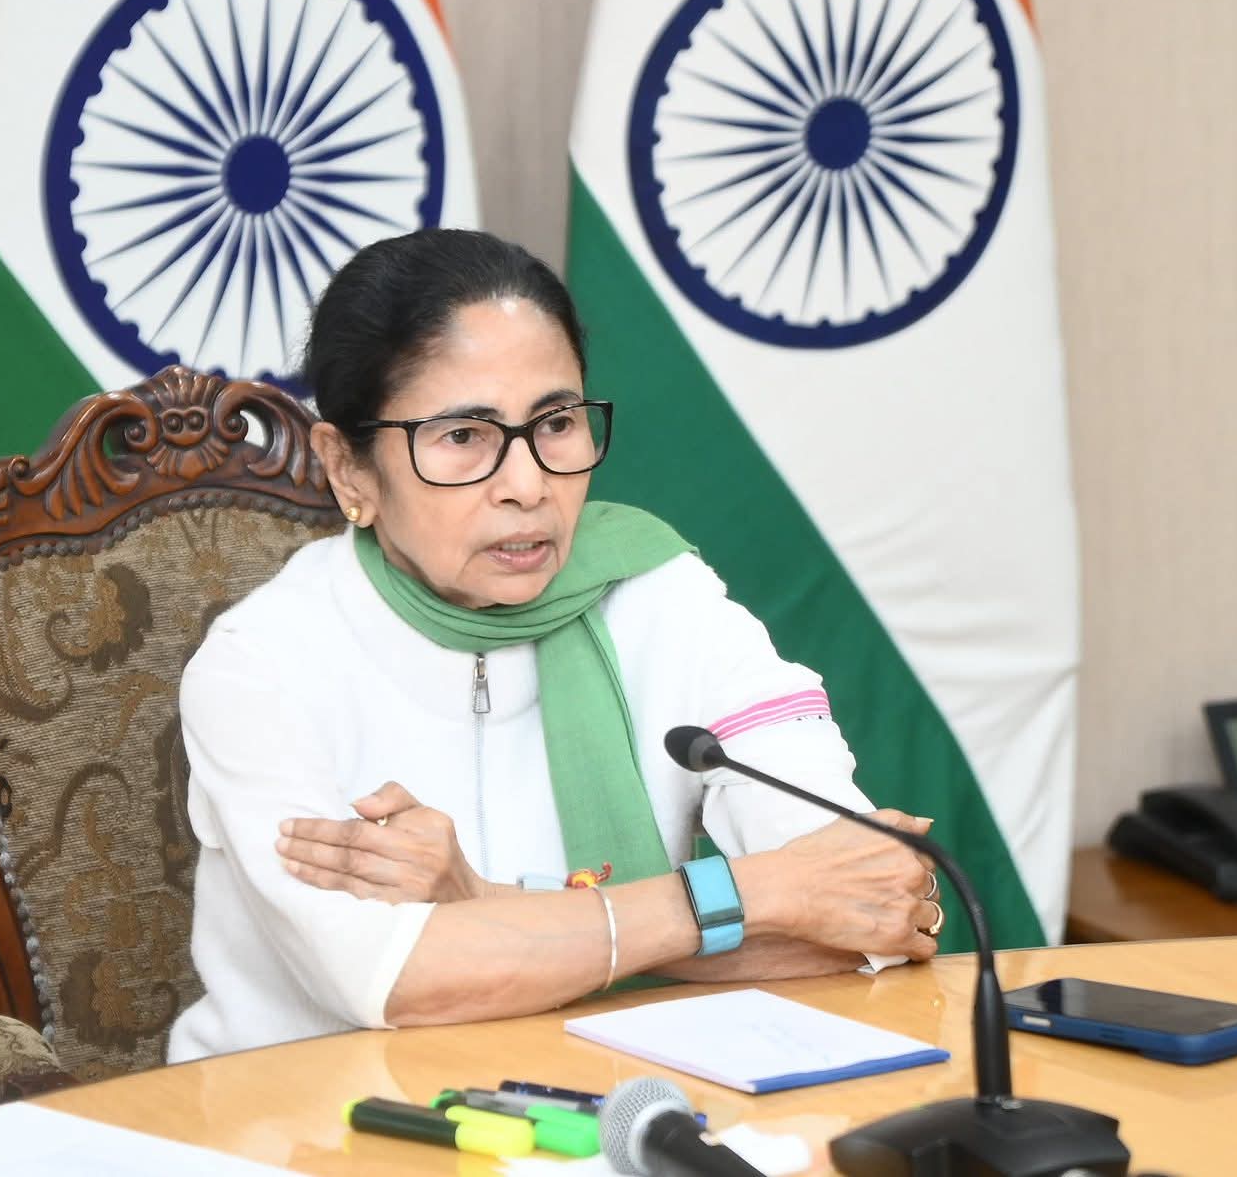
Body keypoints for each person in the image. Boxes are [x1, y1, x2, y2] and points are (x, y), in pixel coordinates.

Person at [164, 229, 943, 1064]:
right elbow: (393, 980)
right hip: (306, 1111)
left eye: (557, 422)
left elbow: (872, 903)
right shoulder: (264, 664)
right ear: (349, 468)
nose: (528, 485)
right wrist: (759, 894)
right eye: (463, 437)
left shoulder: (665, 595)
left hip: (609, 1099)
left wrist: (489, 904)